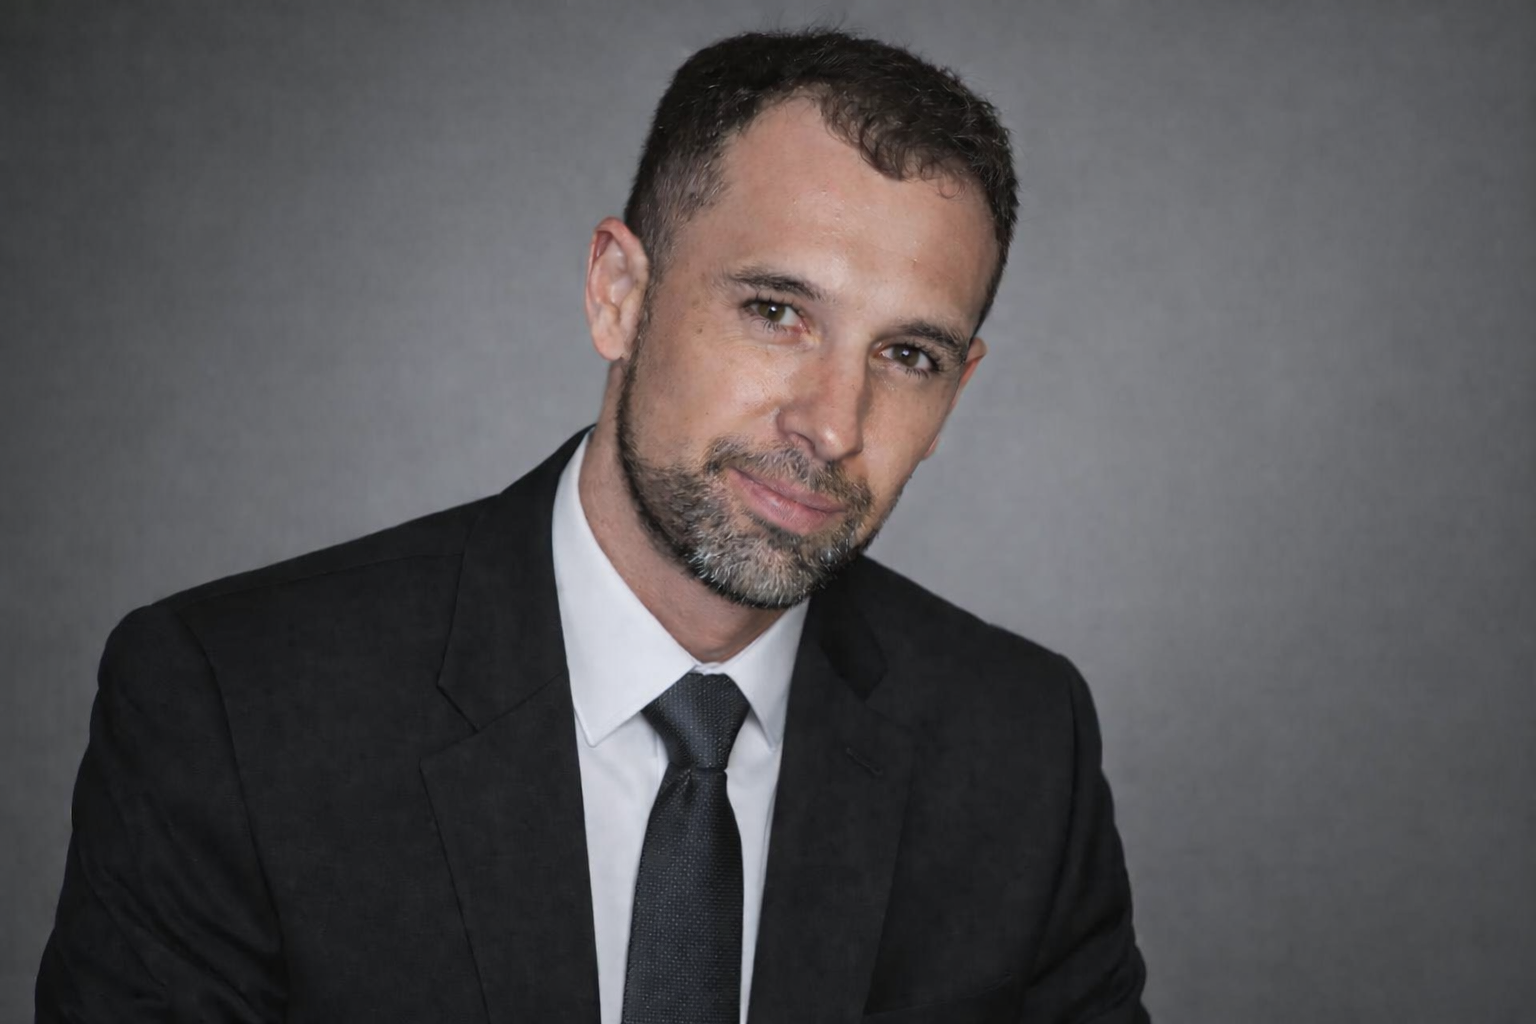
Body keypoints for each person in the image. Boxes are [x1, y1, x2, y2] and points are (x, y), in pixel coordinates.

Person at [36, 28, 1149, 1024]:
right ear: (619, 292)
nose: (832, 424)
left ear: (956, 389)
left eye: (907, 356)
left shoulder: (1019, 747)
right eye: (776, 311)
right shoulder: (235, 703)